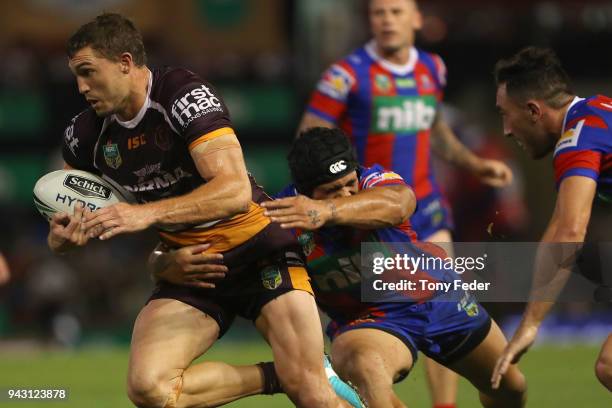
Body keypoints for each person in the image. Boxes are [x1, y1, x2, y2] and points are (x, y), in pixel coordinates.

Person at [47, 13, 364, 408]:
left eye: (88, 72)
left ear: (125, 63)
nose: (81, 87)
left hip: (258, 249)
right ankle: (280, 374)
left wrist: (144, 215)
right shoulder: (85, 136)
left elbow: (234, 190)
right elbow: (69, 209)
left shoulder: (182, 95)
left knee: (313, 393)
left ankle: (301, 374)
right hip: (190, 267)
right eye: (77, 75)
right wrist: (63, 238)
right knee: (149, 389)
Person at [156, 127, 527, 407]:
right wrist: (161, 265)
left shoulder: (376, 182)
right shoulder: (280, 218)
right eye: (332, 190)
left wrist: (328, 210)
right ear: (301, 191)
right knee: (365, 367)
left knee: (511, 388)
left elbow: (401, 202)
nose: (348, 194)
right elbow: (219, 249)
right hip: (372, 323)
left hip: (439, 298)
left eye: (350, 183)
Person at [297, 1, 514, 405]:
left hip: (425, 206)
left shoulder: (432, 68)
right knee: (371, 318)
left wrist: (474, 164)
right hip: (364, 219)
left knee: (441, 301)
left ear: (416, 19)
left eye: (396, 12)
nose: (387, 21)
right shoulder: (345, 75)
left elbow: (435, 128)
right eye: (379, 13)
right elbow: (311, 135)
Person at [491, 46, 612, 392]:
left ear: (533, 110)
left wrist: (530, 324)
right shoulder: (599, 111)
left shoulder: (578, 137)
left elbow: (569, 229)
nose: (505, 130)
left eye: (505, 114)